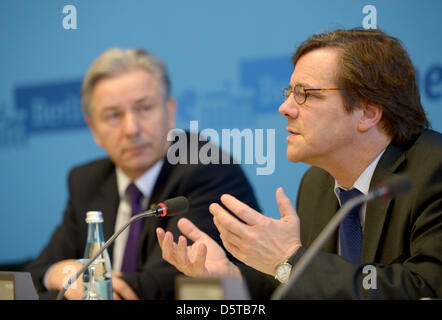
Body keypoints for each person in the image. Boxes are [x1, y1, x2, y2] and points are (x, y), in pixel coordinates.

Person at [157, 28, 442, 299]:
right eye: (290, 92)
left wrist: (290, 259)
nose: (285, 108)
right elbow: (311, 288)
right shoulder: (316, 183)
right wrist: (231, 278)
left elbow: (425, 289)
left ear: (367, 113)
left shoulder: (434, 171)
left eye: (305, 94)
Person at [26, 48, 259, 300]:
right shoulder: (87, 181)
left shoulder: (207, 169)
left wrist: (80, 282)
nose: (131, 129)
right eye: (113, 115)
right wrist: (59, 273)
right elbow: (36, 273)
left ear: (170, 112)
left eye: (144, 108)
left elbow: (163, 286)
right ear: (94, 129)